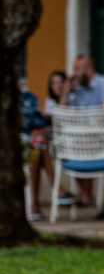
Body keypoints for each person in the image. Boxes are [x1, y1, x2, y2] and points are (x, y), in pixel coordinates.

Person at [58, 56, 104, 210]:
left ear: (88, 69)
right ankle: (86, 194)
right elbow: (62, 115)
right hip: (89, 139)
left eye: (77, 69)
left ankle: (87, 195)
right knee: (65, 149)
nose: (74, 74)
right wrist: (66, 91)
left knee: (78, 146)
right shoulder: (79, 91)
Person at [19, 82, 53, 221]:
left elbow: (38, 122)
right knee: (39, 144)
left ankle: (34, 205)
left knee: (38, 145)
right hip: (13, 147)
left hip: (28, 142)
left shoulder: (28, 98)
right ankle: (56, 189)